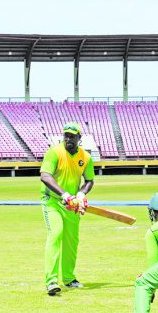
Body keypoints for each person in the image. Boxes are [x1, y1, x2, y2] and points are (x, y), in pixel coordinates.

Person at [39, 122, 95, 295]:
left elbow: (90, 181)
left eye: (72, 136)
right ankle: (51, 281)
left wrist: (81, 194)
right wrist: (64, 194)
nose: (68, 139)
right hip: (53, 202)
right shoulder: (54, 152)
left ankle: (69, 279)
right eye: (66, 135)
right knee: (55, 235)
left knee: (71, 242)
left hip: (72, 206)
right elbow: (45, 176)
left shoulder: (85, 157)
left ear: (79, 138)